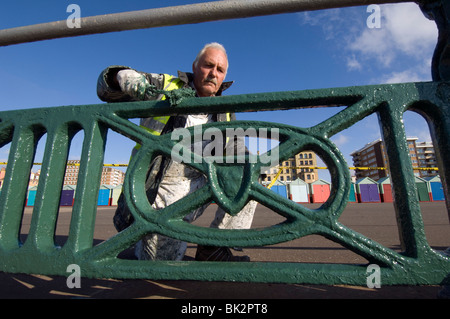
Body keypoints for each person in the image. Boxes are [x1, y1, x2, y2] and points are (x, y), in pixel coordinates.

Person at [97, 42, 257, 261]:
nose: (213, 73)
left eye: (220, 70)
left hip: (200, 185)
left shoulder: (225, 111)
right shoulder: (167, 86)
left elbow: (236, 151)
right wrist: (124, 77)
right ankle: (146, 238)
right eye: (208, 65)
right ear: (194, 66)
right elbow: (105, 87)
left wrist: (257, 164)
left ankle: (216, 246)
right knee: (160, 266)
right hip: (158, 187)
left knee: (249, 178)